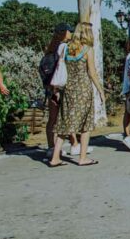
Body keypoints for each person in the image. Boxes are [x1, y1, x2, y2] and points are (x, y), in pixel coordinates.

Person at [47, 22, 105, 167]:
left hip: (68, 90)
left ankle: (55, 158)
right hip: (83, 90)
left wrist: (57, 90)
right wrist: (100, 90)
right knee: (86, 124)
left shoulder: (66, 49)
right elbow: (92, 73)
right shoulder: (88, 50)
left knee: (64, 123)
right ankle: (83, 157)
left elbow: (60, 68)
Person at [42, 24, 80, 159]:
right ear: (64, 33)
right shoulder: (64, 47)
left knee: (52, 119)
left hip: (51, 87)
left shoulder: (51, 49)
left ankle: (51, 147)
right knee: (66, 116)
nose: (71, 33)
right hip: (61, 87)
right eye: (69, 31)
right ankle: (74, 145)